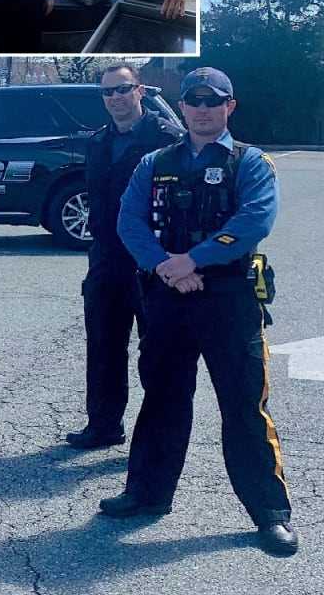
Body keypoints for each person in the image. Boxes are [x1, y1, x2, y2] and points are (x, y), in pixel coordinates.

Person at [105, 67, 297, 557]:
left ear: (229, 106)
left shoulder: (249, 162)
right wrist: (165, 266)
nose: (203, 108)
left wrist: (194, 259)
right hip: (169, 295)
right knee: (163, 397)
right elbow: (129, 221)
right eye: (194, 100)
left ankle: (270, 513)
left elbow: (255, 220)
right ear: (183, 106)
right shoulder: (155, 161)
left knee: (243, 405)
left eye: (214, 100)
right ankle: (147, 494)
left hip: (229, 297)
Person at [66, 65, 182, 449]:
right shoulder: (97, 142)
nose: (115, 98)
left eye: (123, 89)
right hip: (106, 259)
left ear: (140, 91)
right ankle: (103, 425)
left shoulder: (166, 139)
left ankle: (157, 438)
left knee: (159, 351)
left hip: (152, 259)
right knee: (102, 345)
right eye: (108, 92)